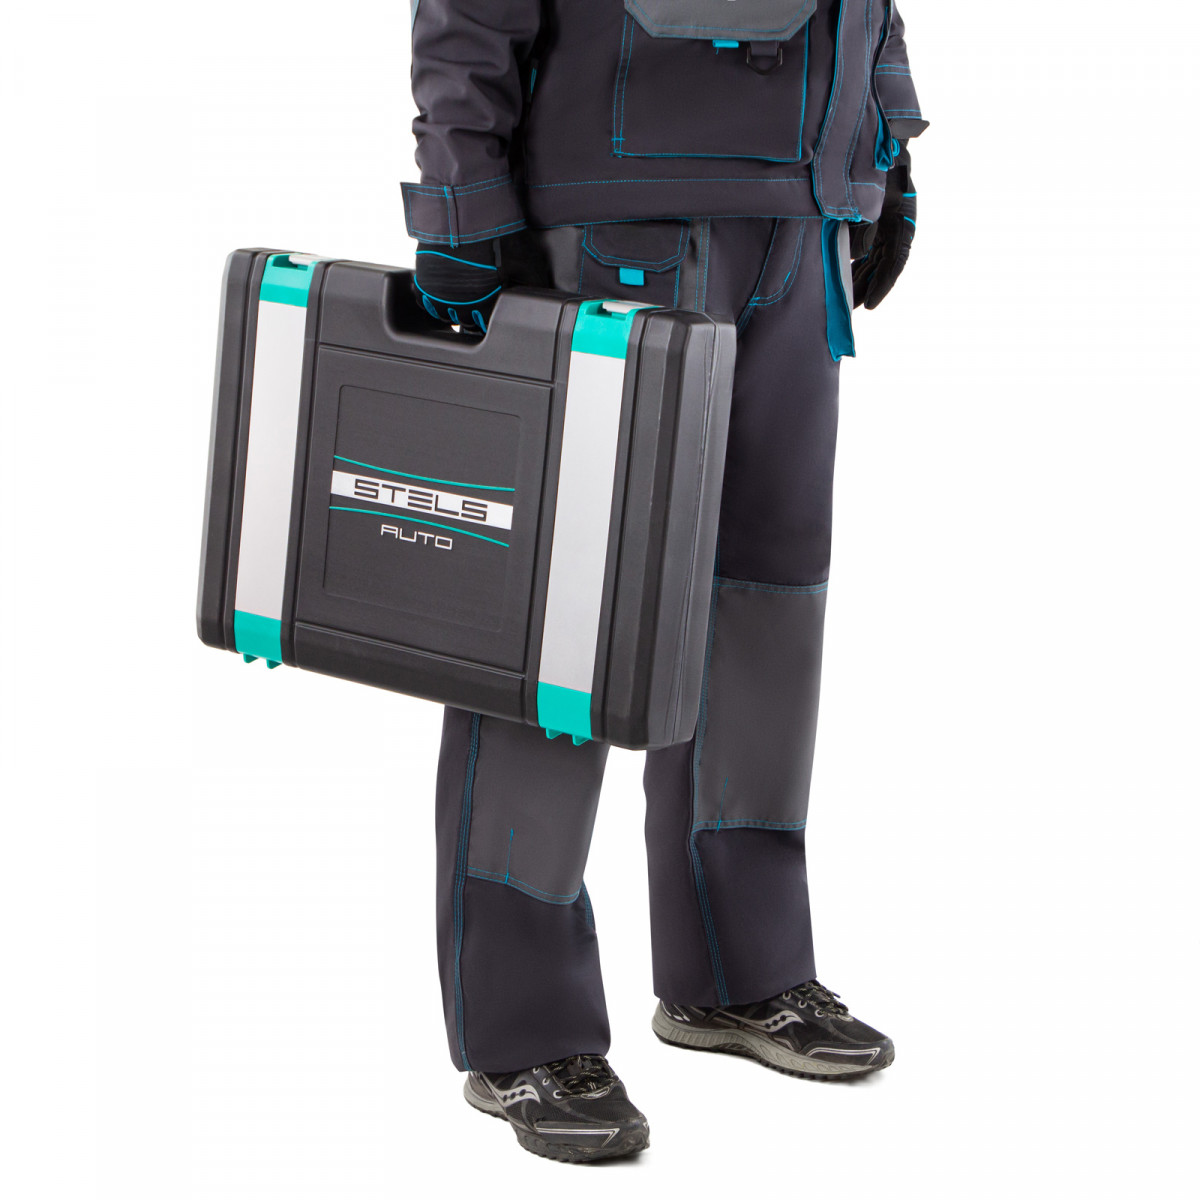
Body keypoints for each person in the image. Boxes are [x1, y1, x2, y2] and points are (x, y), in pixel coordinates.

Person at [403, 0, 927, 1163]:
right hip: (613, 222)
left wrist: (887, 146)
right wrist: (461, 207)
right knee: (566, 624)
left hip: (803, 223)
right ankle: (523, 1031)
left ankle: (740, 972)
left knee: (765, 607)